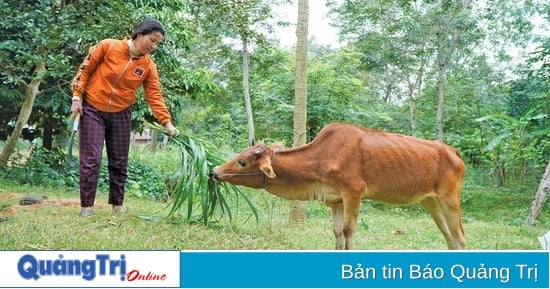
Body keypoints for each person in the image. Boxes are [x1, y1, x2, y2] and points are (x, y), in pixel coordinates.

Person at [70, 18, 178, 217]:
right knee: (91, 159)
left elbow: (155, 95)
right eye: (152, 40)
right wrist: (77, 97)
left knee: (119, 161)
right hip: (92, 108)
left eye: (157, 44)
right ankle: (86, 207)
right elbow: (85, 69)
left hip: (121, 113)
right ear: (139, 34)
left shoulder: (147, 66)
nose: (153, 46)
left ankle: (117, 205)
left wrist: (167, 123)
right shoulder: (108, 46)